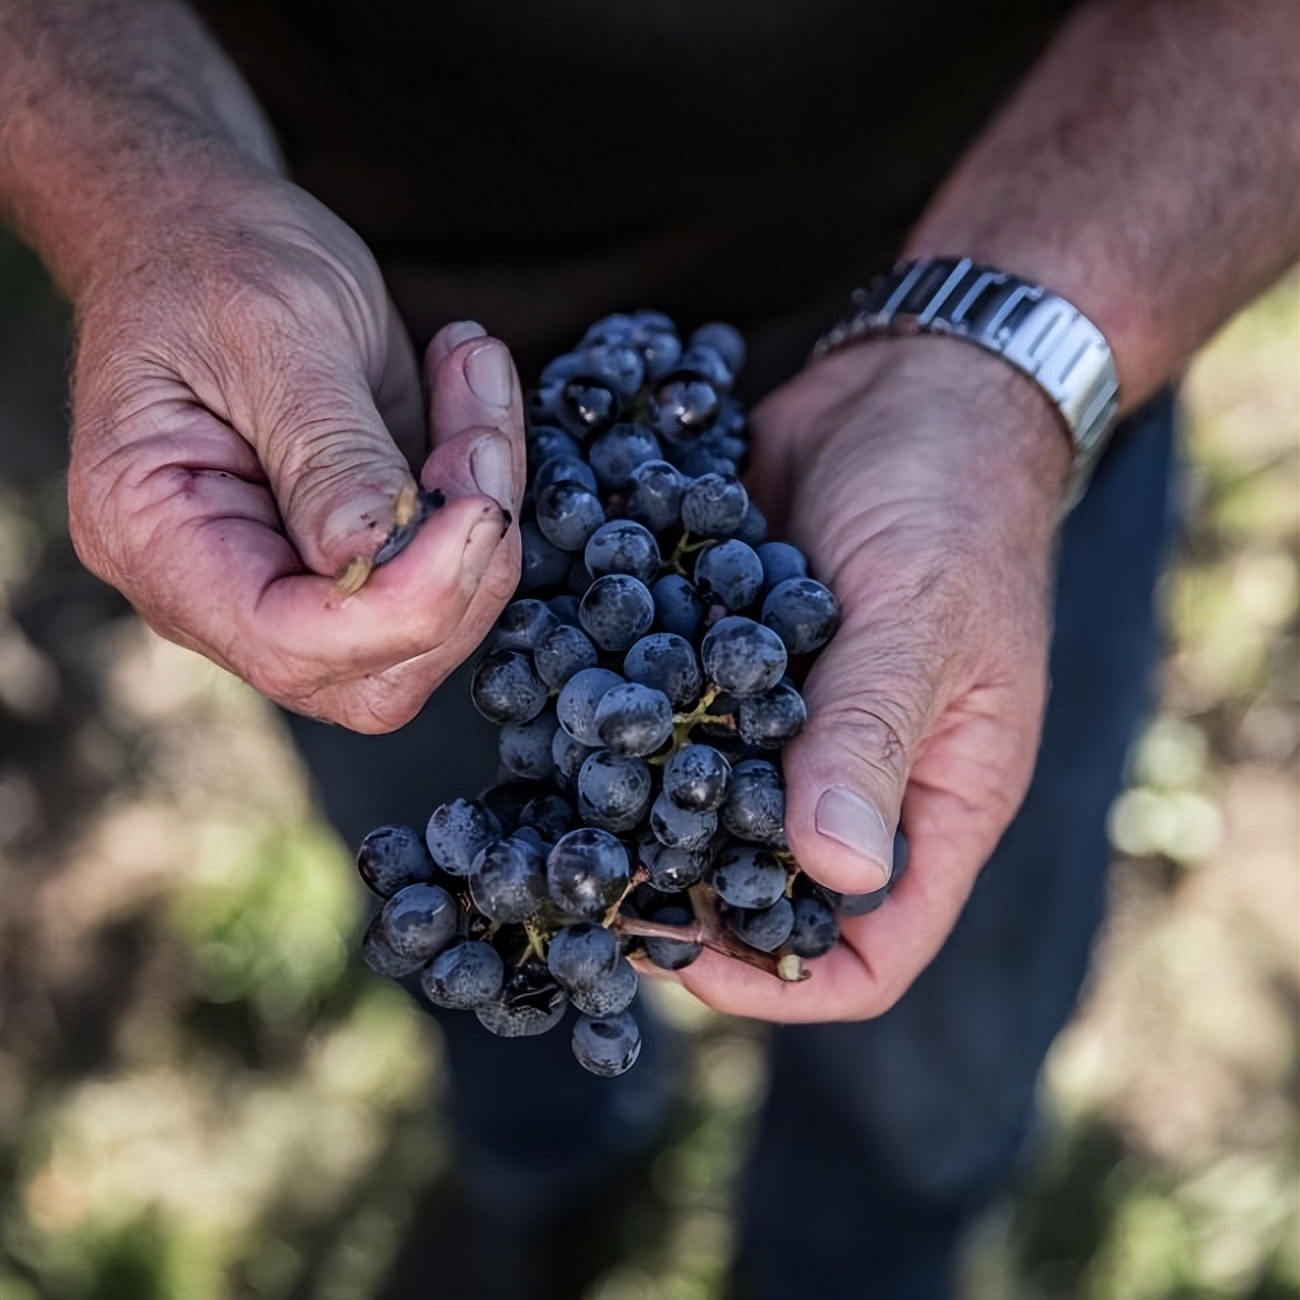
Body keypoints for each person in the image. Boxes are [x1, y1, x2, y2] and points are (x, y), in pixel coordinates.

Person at [1, 1, 1295, 1295]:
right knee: (493, 933)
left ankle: (850, 1262)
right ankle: (542, 1185)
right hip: (357, 434)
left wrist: (1012, 372)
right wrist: (143, 194)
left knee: (926, 1063)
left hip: (989, 401)